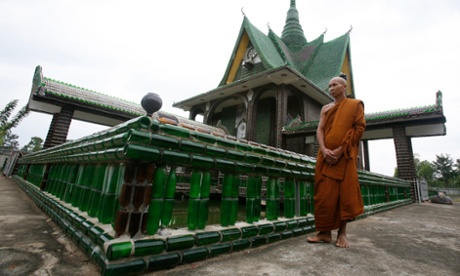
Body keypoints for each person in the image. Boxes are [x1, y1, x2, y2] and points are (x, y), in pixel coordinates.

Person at [307, 76, 366, 248]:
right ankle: (324, 233)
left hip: (345, 156)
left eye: (334, 85)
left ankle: (342, 233)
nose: (331, 88)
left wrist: (340, 150)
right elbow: (320, 130)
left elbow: (359, 128)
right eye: (329, 86)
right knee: (324, 194)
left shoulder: (355, 105)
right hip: (325, 157)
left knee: (344, 194)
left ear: (344, 86)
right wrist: (324, 150)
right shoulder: (326, 108)